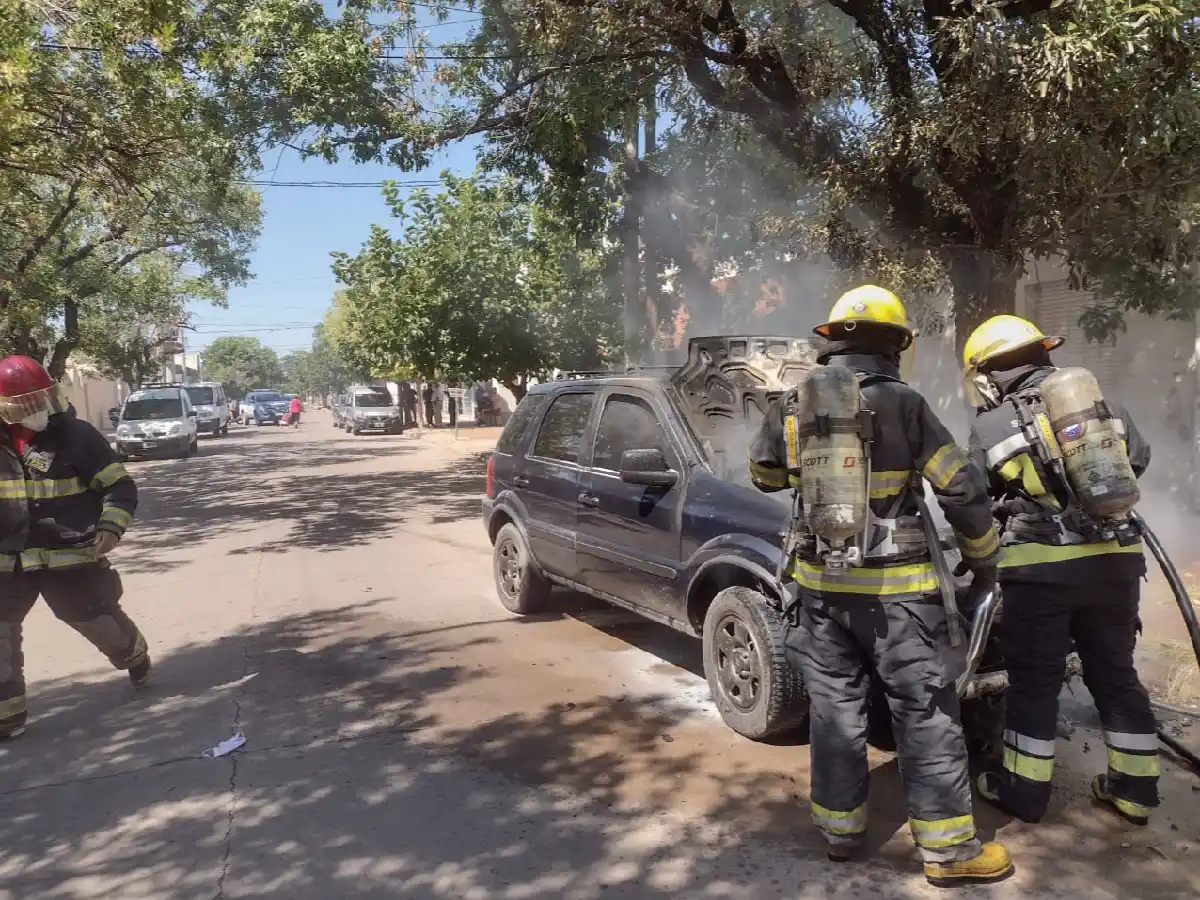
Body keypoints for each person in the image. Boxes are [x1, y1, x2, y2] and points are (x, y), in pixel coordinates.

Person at [748, 286, 1012, 887]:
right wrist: (984, 558)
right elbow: (961, 489)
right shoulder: (906, 404)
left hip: (819, 594)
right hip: (898, 598)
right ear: (896, 344)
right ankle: (949, 854)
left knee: (835, 712)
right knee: (925, 713)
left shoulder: (794, 403)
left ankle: (839, 833)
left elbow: (762, 476)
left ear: (833, 339)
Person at [961, 315, 1159, 826]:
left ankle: (1024, 794)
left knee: (1035, 683)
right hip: (1116, 563)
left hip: (1040, 574)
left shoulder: (989, 425)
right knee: (1116, 676)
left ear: (987, 375)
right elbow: (1138, 460)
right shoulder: (1101, 407)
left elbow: (972, 498)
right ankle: (1135, 793)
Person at [0, 355, 150, 739]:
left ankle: (133, 655)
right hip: (8, 561)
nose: (36, 411)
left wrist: (111, 528)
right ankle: (7, 719)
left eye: (40, 400)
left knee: (98, 623)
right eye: (25, 405)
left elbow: (119, 487)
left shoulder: (78, 436)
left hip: (68, 556)